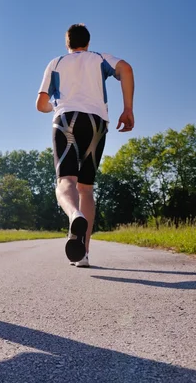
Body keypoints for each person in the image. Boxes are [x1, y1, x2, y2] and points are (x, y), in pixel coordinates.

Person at [36, 23, 134, 267]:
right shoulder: (100, 58)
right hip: (96, 121)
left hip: (66, 119)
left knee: (65, 181)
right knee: (86, 189)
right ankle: (84, 253)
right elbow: (126, 69)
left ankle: (73, 215)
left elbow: (41, 103)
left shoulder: (56, 62)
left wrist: (54, 106)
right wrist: (128, 109)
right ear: (87, 42)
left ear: (67, 43)